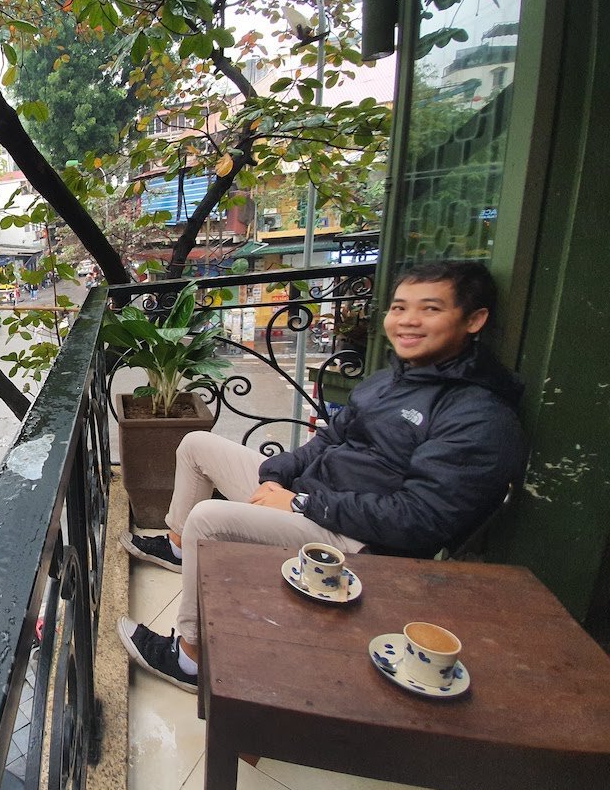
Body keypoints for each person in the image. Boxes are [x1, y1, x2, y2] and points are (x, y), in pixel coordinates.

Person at [117, 261, 528, 693]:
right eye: (399, 307)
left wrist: (300, 504)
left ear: (474, 320)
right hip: (312, 498)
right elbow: (330, 438)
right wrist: (277, 475)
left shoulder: (479, 417)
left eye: (429, 309)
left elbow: (420, 519)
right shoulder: (391, 381)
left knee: (208, 517)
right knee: (196, 445)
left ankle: (190, 659)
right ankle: (180, 550)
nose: (408, 320)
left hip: (359, 542)